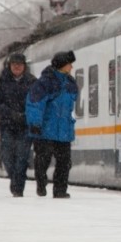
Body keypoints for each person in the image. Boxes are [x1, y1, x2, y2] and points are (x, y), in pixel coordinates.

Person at [26, 50, 78, 199]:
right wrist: (35, 123)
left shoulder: (70, 82)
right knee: (43, 159)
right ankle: (41, 183)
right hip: (45, 130)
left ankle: (60, 190)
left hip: (64, 130)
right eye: (69, 65)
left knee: (64, 162)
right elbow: (35, 103)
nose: (71, 68)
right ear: (62, 66)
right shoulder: (44, 83)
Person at [0, 52, 37, 197]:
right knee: (8, 158)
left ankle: (18, 188)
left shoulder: (32, 82)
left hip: (25, 126)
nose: (17, 67)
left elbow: (37, 102)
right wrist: (11, 113)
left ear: (24, 66)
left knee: (22, 157)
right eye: (14, 64)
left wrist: (27, 115)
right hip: (7, 126)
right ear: (9, 66)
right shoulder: (1, 81)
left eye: (20, 64)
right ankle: (14, 179)